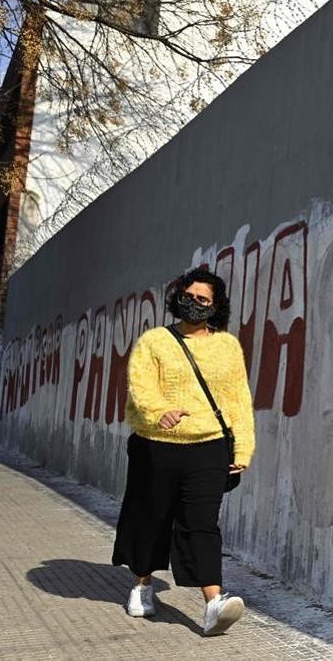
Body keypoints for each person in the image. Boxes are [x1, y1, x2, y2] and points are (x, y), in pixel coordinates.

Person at [111, 267, 256, 636]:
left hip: (209, 448)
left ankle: (213, 602)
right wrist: (161, 411)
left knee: (201, 523)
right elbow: (140, 387)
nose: (193, 303)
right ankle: (143, 585)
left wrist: (243, 447)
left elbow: (238, 400)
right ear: (177, 298)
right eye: (188, 296)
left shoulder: (227, 346)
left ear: (215, 306)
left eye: (202, 299)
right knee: (151, 517)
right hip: (156, 446)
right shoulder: (154, 342)